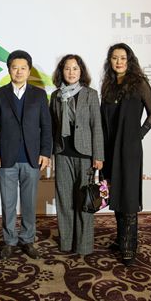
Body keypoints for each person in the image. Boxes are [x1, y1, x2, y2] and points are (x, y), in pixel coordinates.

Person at [0, 50, 52, 259]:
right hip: (6, 158)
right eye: (15, 67)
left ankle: (27, 239)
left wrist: (45, 152)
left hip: (32, 158)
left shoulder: (39, 95)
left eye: (23, 68)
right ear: (9, 70)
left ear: (29, 71)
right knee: (8, 203)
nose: (19, 71)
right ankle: (9, 240)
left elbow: (46, 126)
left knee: (29, 203)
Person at [100, 43, 151, 266]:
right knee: (115, 193)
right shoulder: (108, 85)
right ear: (110, 61)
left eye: (123, 58)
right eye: (115, 58)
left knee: (129, 196)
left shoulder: (139, 83)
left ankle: (130, 245)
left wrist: (138, 135)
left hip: (129, 149)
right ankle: (120, 238)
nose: (119, 62)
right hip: (109, 147)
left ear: (129, 60)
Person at [49, 54, 104, 255]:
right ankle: (66, 242)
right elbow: (52, 126)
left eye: (75, 68)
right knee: (64, 200)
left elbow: (96, 126)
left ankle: (84, 245)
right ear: (61, 72)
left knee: (85, 201)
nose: (71, 72)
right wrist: (49, 153)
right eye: (67, 68)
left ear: (81, 71)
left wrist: (98, 156)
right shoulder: (56, 96)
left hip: (85, 154)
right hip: (62, 153)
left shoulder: (91, 94)